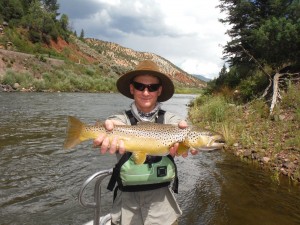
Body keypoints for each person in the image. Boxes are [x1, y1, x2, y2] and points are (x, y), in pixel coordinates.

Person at [94, 59, 196, 225]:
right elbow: (112, 122)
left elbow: (181, 126)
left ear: (159, 90)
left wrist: (186, 137)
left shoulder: (171, 121)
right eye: (140, 86)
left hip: (163, 211)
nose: (146, 92)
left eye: (152, 87)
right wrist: (108, 128)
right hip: (125, 211)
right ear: (132, 88)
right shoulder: (120, 119)